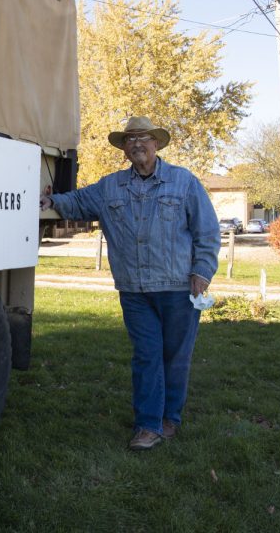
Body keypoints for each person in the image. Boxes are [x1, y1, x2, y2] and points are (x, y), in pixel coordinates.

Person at [40, 116, 220, 451]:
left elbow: (207, 232)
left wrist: (202, 272)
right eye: (130, 139)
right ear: (124, 148)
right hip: (134, 290)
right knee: (146, 355)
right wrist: (53, 202)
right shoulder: (110, 187)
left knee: (175, 356)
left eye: (144, 138)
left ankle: (170, 418)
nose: (137, 144)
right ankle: (148, 425)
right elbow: (79, 201)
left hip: (178, 287)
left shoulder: (183, 183)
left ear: (156, 144)